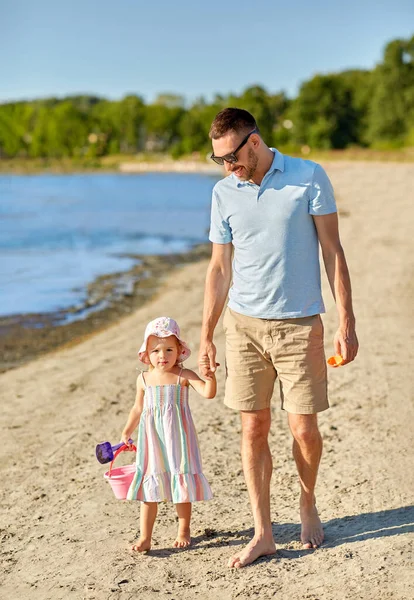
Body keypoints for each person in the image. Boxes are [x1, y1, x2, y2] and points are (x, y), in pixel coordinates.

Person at [199, 108, 359, 568]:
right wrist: (207, 334)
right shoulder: (223, 192)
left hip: (300, 324)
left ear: (253, 141)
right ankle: (263, 531)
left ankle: (307, 501)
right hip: (243, 326)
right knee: (253, 427)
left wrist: (346, 321)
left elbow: (333, 251)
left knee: (304, 429)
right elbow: (218, 267)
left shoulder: (308, 177)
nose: (228, 168)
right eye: (218, 161)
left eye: (231, 157)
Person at [122, 316, 216, 552]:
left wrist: (211, 377)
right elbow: (137, 408)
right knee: (149, 485)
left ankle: (184, 530)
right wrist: (126, 432)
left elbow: (207, 393)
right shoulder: (143, 379)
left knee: (180, 480)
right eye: (155, 350)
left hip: (178, 439)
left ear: (179, 351)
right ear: (146, 354)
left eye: (168, 349)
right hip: (152, 439)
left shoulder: (183, 376)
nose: (162, 355)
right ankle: (145, 537)